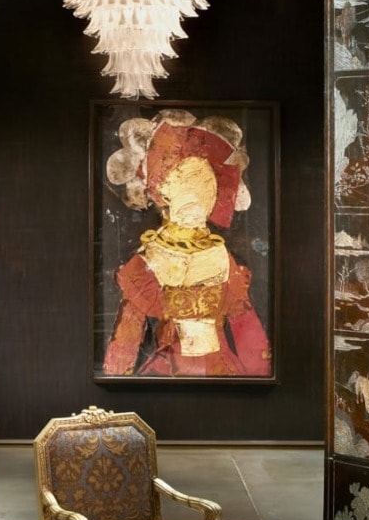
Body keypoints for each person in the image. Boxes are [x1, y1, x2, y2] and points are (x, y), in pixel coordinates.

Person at [102, 110, 272, 377]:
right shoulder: (149, 259)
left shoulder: (221, 257)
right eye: (185, 180)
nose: (197, 193)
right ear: (163, 187)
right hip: (168, 376)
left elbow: (247, 330)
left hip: (222, 374)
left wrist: (261, 382)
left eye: (207, 183)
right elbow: (126, 339)